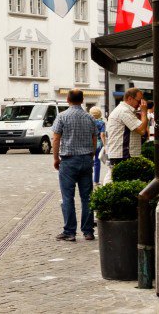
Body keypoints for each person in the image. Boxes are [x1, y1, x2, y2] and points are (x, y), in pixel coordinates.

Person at [51, 89, 98, 242]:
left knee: (68, 197)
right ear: (82, 100)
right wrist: (90, 155)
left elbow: (56, 139)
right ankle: (88, 231)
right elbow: (94, 138)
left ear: (67, 99)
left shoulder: (62, 116)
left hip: (69, 161)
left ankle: (70, 232)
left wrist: (56, 158)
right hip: (86, 159)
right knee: (87, 197)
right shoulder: (89, 117)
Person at [105, 87, 149, 166]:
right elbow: (142, 130)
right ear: (129, 98)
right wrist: (144, 113)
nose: (140, 105)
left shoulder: (124, 110)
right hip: (124, 155)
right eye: (139, 101)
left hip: (123, 154)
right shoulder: (124, 111)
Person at [89, 106, 107, 186]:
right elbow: (102, 134)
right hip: (98, 144)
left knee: (88, 162)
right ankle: (96, 181)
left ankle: (87, 180)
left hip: (88, 143)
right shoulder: (101, 123)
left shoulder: (88, 121)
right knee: (97, 162)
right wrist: (105, 145)